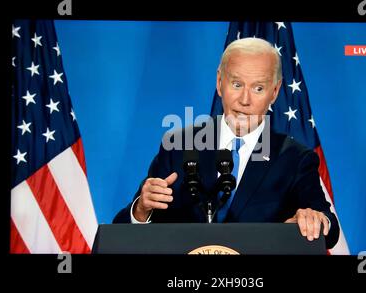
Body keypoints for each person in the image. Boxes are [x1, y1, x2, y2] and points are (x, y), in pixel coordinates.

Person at [113, 37, 340, 249]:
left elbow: (330, 229)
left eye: (258, 88)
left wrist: (315, 219)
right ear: (220, 83)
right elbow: (123, 231)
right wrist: (141, 209)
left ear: (275, 91)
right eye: (237, 84)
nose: (245, 100)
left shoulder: (294, 159)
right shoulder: (179, 145)